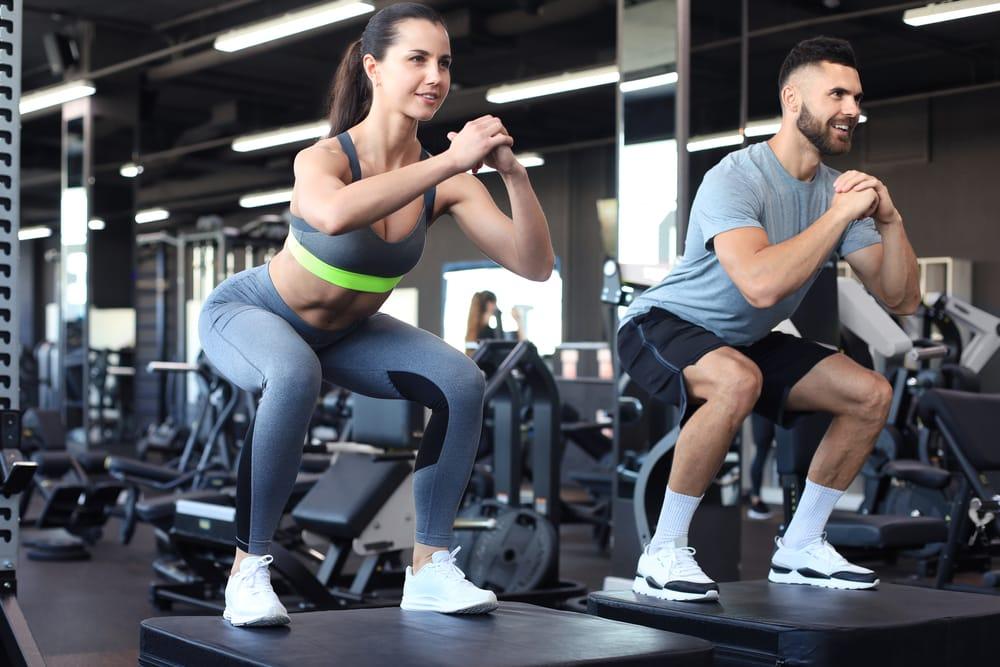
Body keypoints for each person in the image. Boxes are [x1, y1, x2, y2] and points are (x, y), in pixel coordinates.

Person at [199, 2, 554, 626]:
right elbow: (333, 216)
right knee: (292, 373)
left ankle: (429, 568)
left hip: (346, 334)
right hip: (255, 313)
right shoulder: (325, 158)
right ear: (374, 68)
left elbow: (534, 265)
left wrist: (514, 178)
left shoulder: (450, 182)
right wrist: (448, 161)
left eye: (443, 62)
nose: (435, 76)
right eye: (416, 59)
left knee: (462, 381)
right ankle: (247, 573)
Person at [617, 36, 919, 602]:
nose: (852, 109)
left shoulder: (836, 191)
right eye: (836, 93)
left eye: (856, 96)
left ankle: (801, 545)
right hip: (662, 324)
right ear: (792, 99)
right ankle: (662, 552)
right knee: (737, 380)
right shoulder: (737, 176)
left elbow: (901, 298)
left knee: (871, 394)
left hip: (746, 338)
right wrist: (838, 217)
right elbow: (760, 285)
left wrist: (893, 220)